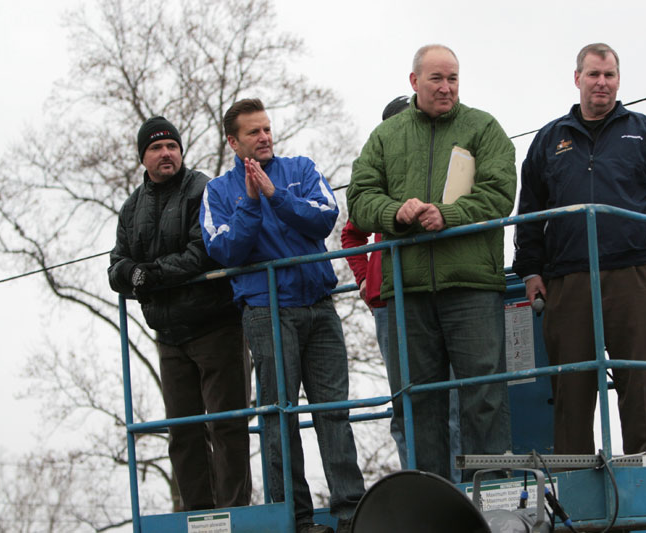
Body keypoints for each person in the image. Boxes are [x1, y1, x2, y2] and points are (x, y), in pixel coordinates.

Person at [512, 43, 646, 456]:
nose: (602, 83)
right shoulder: (548, 140)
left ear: (618, 80)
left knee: (642, 388)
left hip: (639, 279)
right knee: (570, 390)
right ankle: (577, 487)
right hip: (568, 281)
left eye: (609, 75)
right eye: (594, 74)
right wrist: (531, 271)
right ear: (577, 78)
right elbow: (528, 216)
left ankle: (645, 478)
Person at [347, 44, 515, 482]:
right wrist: (395, 214)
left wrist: (449, 214)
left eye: (453, 79)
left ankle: (492, 496)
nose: (446, 88)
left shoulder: (484, 127)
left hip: (473, 286)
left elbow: (500, 193)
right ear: (414, 81)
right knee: (417, 401)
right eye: (437, 79)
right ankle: (432, 505)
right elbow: (360, 197)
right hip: (410, 290)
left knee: (483, 396)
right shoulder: (386, 136)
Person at [200, 98, 364, 533]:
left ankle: (352, 513)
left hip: (319, 308)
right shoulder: (217, 193)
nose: (265, 137)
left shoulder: (302, 169)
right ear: (234, 142)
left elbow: (325, 216)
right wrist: (252, 204)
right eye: (254, 132)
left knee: (335, 411)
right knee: (278, 417)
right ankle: (295, 519)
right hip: (267, 314)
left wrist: (275, 195)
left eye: (267, 129)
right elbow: (226, 251)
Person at [108, 116, 251, 511]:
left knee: (228, 425)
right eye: (156, 148)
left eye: (172, 146)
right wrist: (135, 273)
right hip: (169, 336)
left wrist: (151, 274)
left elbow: (202, 251)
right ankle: (198, 517)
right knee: (183, 434)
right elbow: (116, 267)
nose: (165, 153)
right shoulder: (131, 207)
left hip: (216, 326)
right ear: (143, 158)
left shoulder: (203, 189)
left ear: (181, 152)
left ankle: (234, 514)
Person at [341, 95, 463, 479]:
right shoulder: (378, 179)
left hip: (444, 293)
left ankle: (460, 486)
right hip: (391, 302)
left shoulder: (445, 166)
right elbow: (351, 233)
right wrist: (364, 279)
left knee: (457, 397)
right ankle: (423, 486)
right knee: (407, 401)